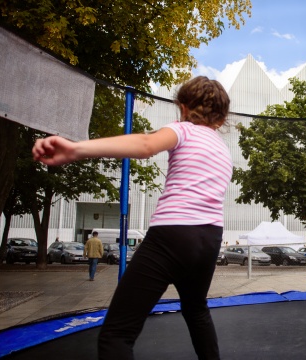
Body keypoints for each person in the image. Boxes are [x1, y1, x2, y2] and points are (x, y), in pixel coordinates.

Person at [32, 76, 232, 359]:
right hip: (210, 239)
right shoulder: (223, 150)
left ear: (183, 107)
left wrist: (75, 149)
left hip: (172, 235)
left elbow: (146, 144)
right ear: (221, 119)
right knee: (196, 309)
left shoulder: (183, 130)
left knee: (117, 334)